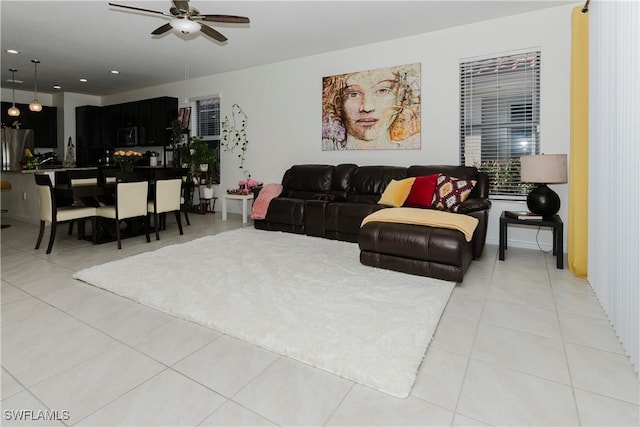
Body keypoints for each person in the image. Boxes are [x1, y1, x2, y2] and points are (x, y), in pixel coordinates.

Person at [322, 63, 421, 150]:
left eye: (382, 91)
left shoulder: (414, 143)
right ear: (339, 105)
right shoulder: (326, 145)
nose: (367, 107)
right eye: (354, 94)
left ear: (399, 101)